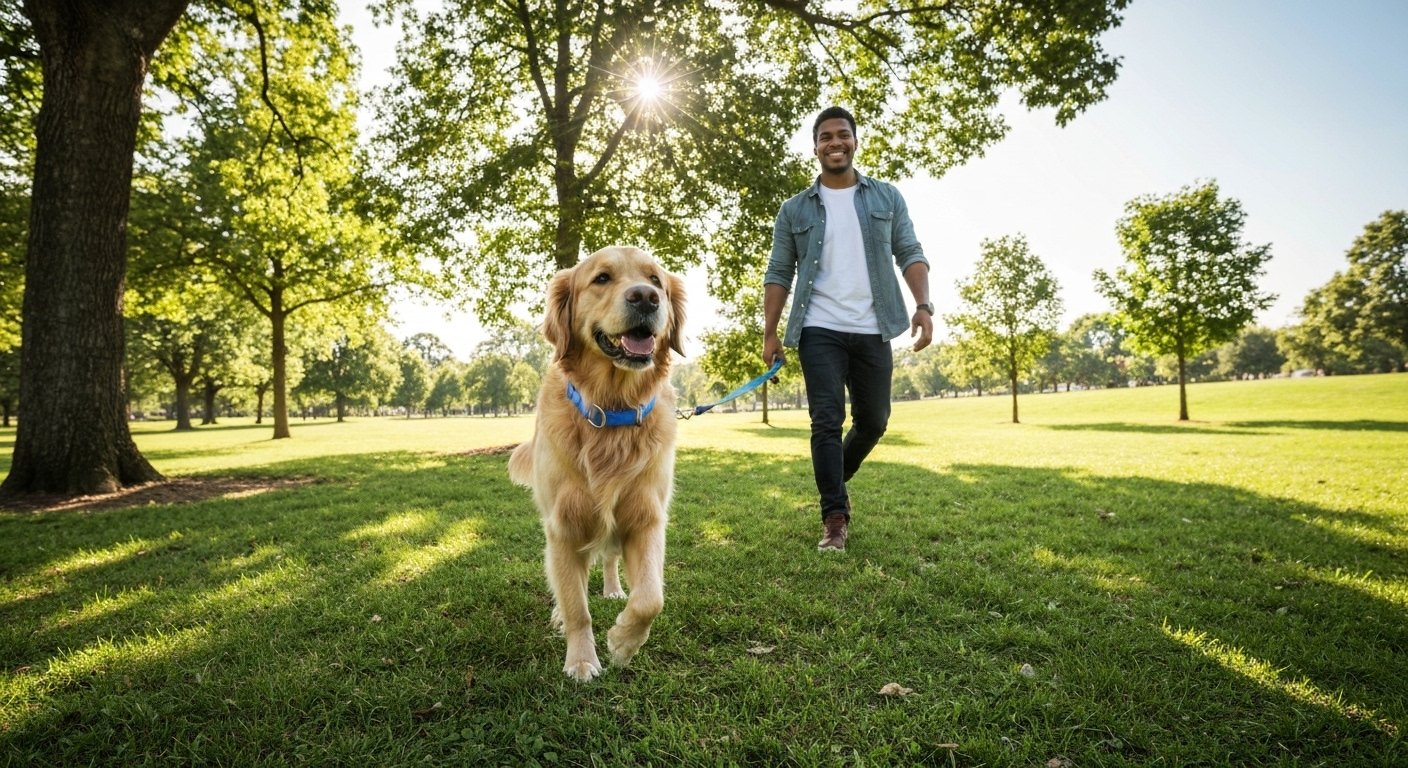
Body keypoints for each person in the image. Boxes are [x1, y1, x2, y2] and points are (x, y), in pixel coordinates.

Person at [762, 105, 933, 552]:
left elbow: (910, 251)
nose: (835, 142)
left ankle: (836, 479)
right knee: (826, 420)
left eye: (842, 135)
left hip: (875, 326)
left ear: (855, 141)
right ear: (815, 147)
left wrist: (923, 305)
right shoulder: (794, 209)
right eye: (826, 137)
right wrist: (770, 333)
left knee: (874, 421)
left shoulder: (886, 198)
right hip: (818, 327)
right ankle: (834, 517)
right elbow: (779, 272)